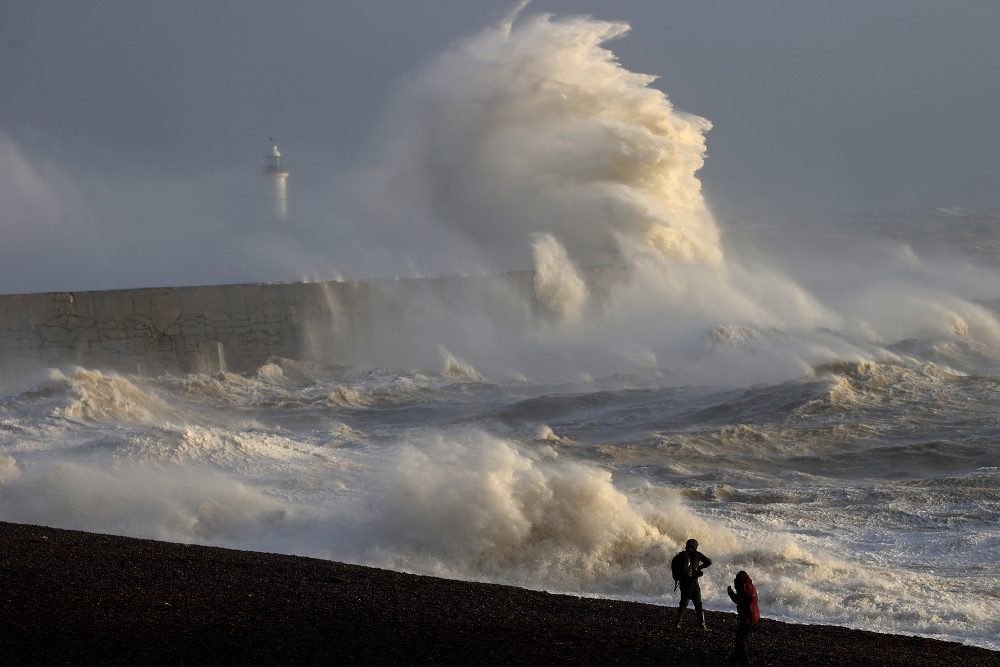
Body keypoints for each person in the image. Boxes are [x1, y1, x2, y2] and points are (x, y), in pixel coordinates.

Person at [672, 538, 712, 629]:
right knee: (698, 604)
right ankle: (702, 624)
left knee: (683, 603)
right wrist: (699, 568)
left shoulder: (680, 556)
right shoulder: (697, 555)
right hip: (693, 583)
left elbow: (675, 569)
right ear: (695, 546)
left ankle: (677, 623)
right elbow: (709, 562)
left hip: (683, 583)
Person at [727, 570, 760, 666]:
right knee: (738, 637)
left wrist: (730, 592)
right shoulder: (751, 586)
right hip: (755, 617)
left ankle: (745, 662)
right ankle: (737, 657)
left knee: (740, 640)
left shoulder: (743, 586)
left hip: (748, 617)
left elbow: (738, 600)